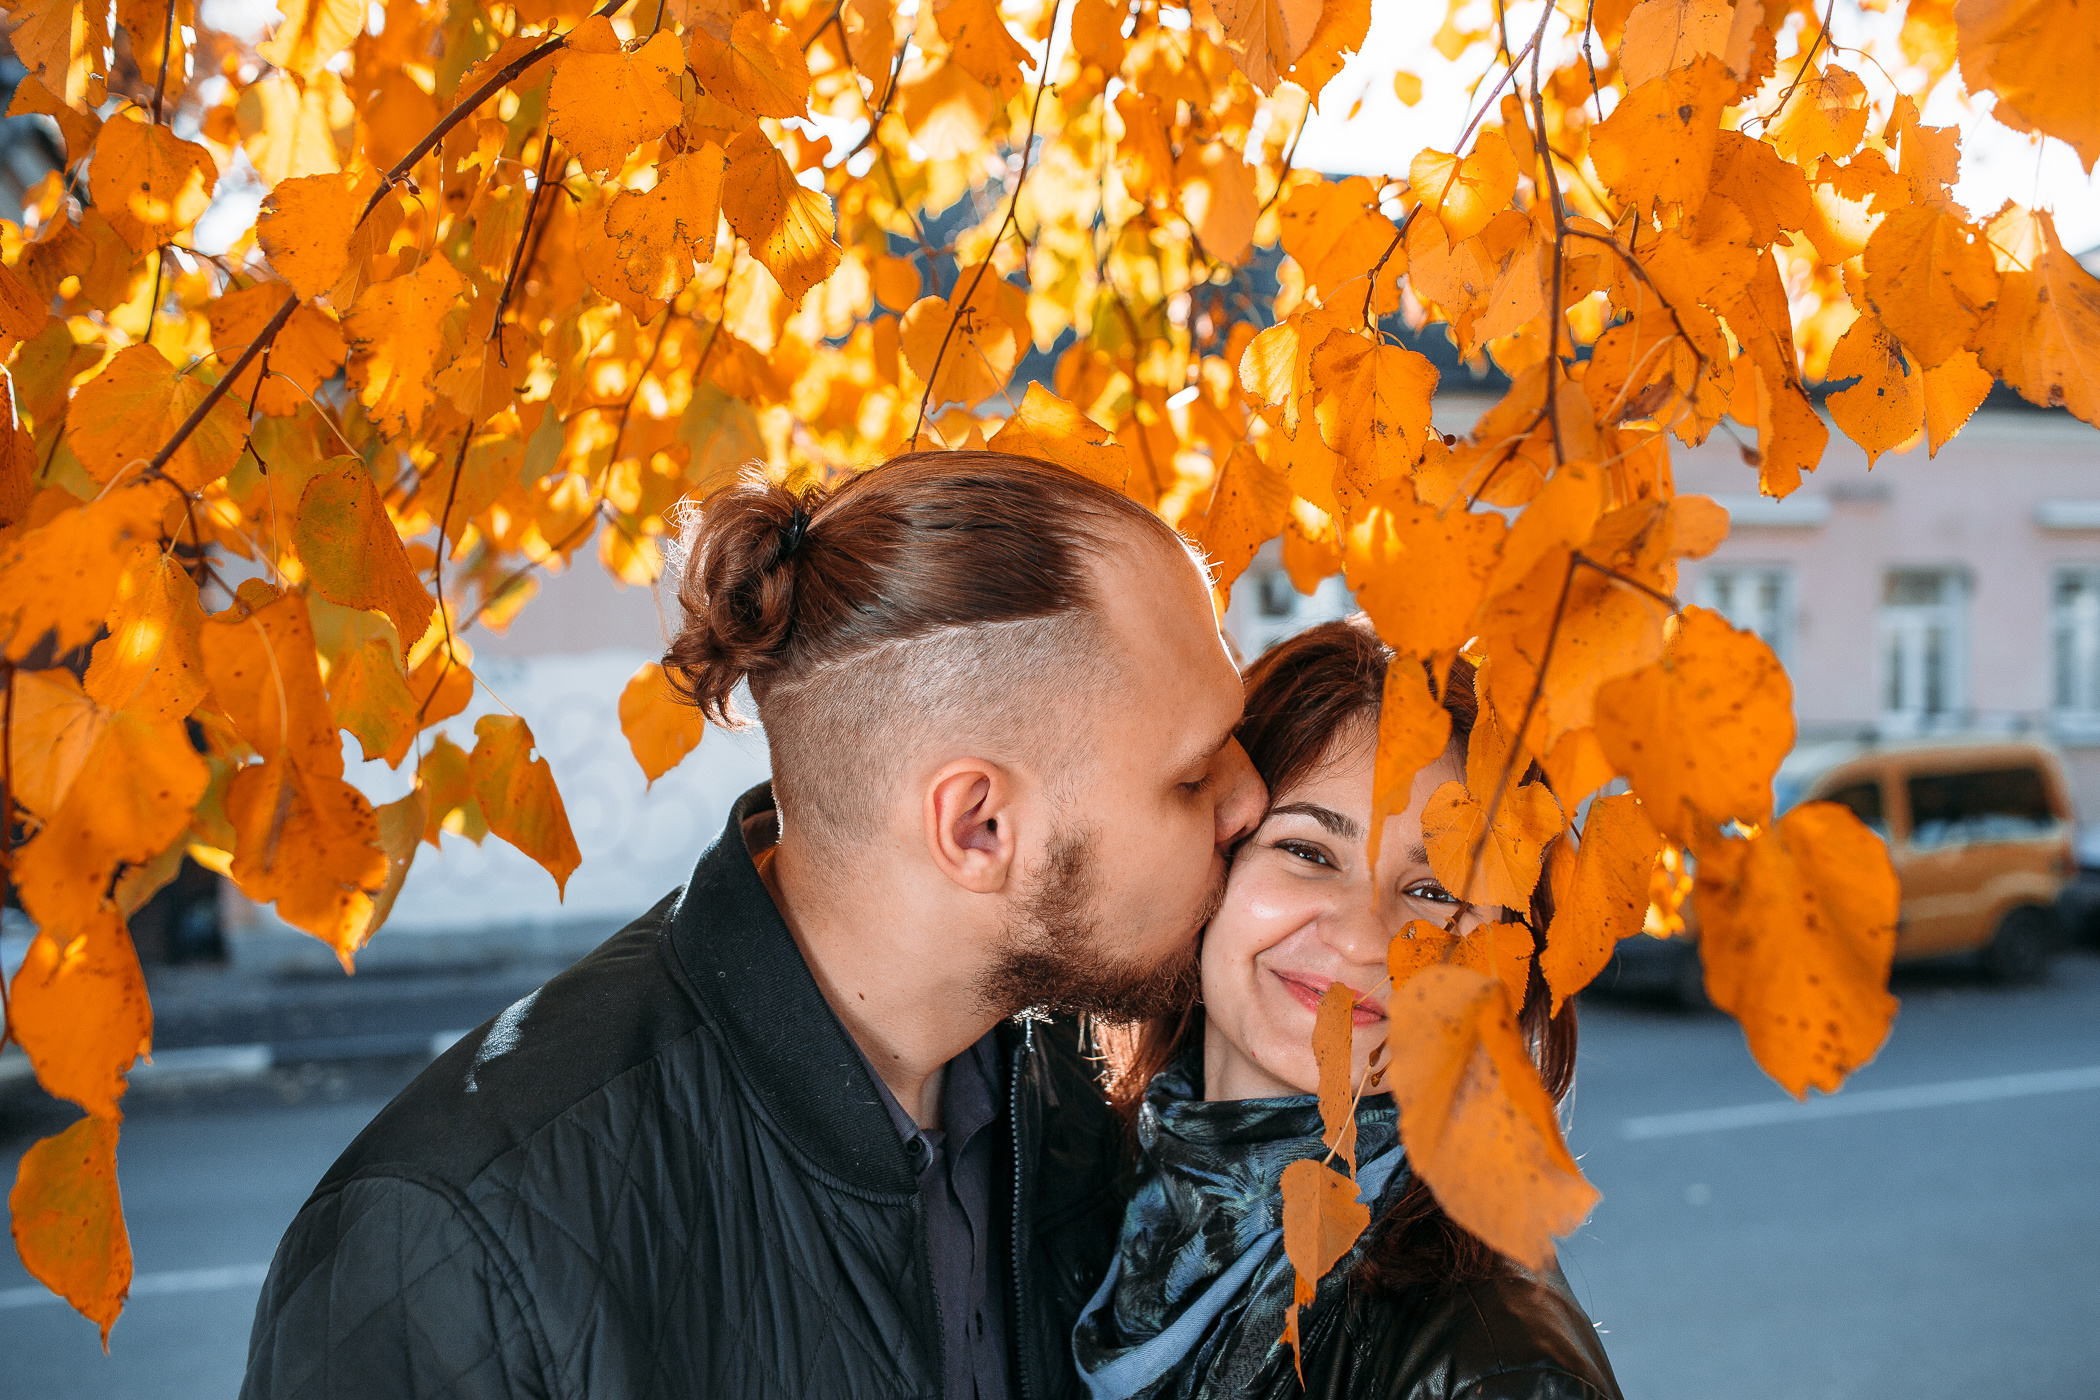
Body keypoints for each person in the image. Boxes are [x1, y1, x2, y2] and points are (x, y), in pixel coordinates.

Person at [240, 450, 1267, 1400]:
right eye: (1192, 774)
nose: (1251, 798)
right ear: (980, 826)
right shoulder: (454, 1246)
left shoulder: (1072, 1095)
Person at [1074, 617, 1622, 1400]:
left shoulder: (1494, 1366)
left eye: (1435, 893)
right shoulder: (1064, 1168)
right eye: (1307, 852)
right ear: (1205, 855)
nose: (1367, 938)